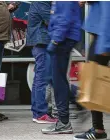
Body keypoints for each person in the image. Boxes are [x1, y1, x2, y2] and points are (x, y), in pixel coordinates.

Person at [41, 1, 82, 134]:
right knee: (54, 79)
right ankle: (79, 102)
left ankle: (64, 122)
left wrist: (55, 40)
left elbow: (64, 18)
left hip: (62, 40)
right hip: (63, 38)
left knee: (57, 80)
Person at [74, 1, 110, 139]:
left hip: (103, 36)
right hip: (101, 35)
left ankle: (98, 129)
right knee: (95, 82)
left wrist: (105, 44)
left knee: (94, 83)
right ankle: (98, 128)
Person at [26, 1, 57, 124]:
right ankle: (40, 113)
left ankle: (39, 112)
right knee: (42, 78)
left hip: (41, 41)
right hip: (41, 42)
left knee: (40, 78)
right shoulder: (41, 2)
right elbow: (51, 20)